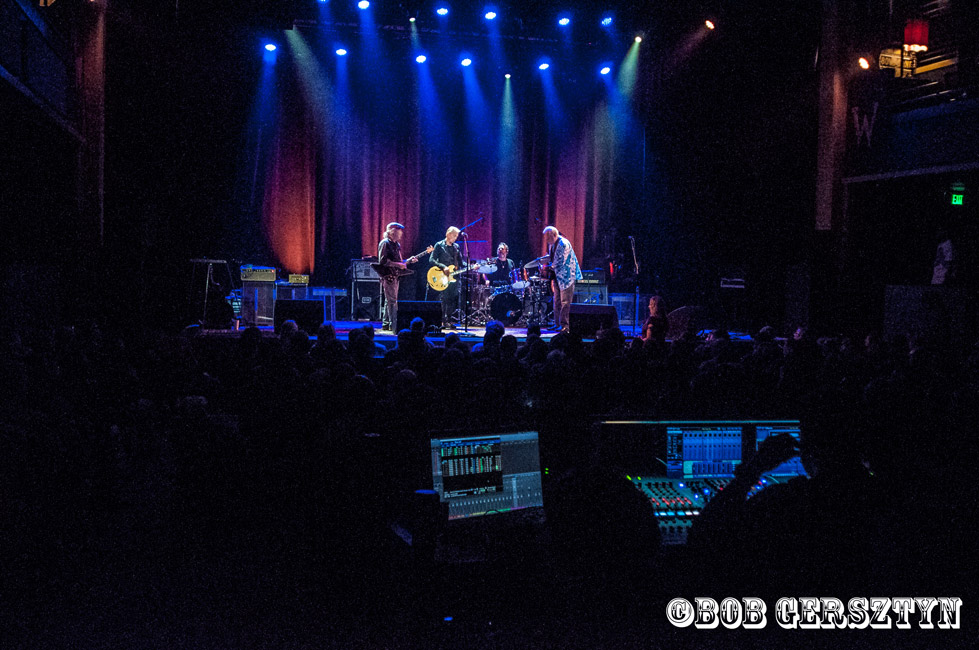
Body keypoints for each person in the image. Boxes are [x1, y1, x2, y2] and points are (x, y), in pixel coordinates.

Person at [542, 226, 581, 332]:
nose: (546, 240)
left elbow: (560, 261)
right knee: (557, 301)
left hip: (566, 277)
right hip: (558, 277)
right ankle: (557, 323)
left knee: (565, 302)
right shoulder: (552, 245)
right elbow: (551, 258)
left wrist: (547, 267)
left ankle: (565, 326)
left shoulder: (563, 244)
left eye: (547, 237)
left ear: (553, 235)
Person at [430, 226, 465, 328]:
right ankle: (441, 320)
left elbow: (460, 262)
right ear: (448, 234)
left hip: (454, 277)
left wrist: (471, 265)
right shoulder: (439, 245)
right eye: (454, 235)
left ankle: (448, 320)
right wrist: (443, 267)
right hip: (442, 275)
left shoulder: (456, 247)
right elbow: (432, 260)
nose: (456, 238)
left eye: (457, 236)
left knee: (453, 298)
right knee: (444, 298)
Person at [377, 222, 407, 333]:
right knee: (392, 301)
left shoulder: (397, 245)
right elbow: (383, 261)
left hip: (395, 275)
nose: (401, 234)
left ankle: (386, 324)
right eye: (399, 231)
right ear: (392, 232)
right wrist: (398, 265)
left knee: (389, 300)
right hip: (388, 275)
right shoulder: (385, 243)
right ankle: (394, 324)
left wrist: (407, 261)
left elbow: (399, 261)